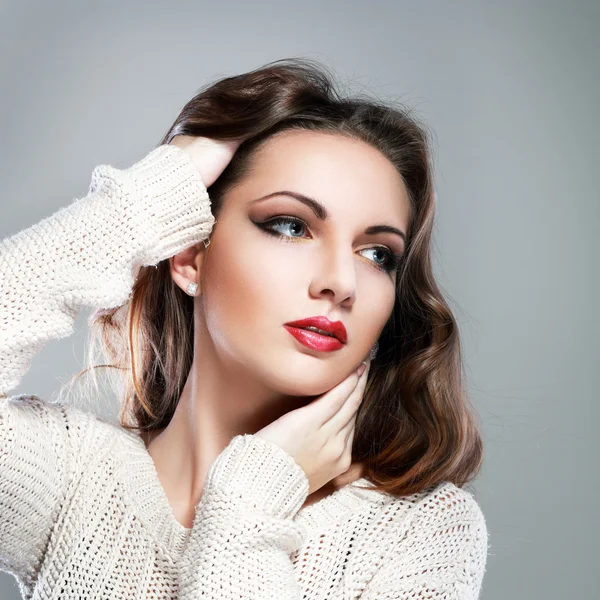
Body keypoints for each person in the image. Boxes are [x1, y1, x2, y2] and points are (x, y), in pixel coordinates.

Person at [0, 58, 489, 599]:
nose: (341, 282)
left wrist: (249, 506)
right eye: (289, 225)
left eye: (377, 254)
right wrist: (149, 196)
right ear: (190, 259)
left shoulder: (419, 534)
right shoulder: (72, 478)